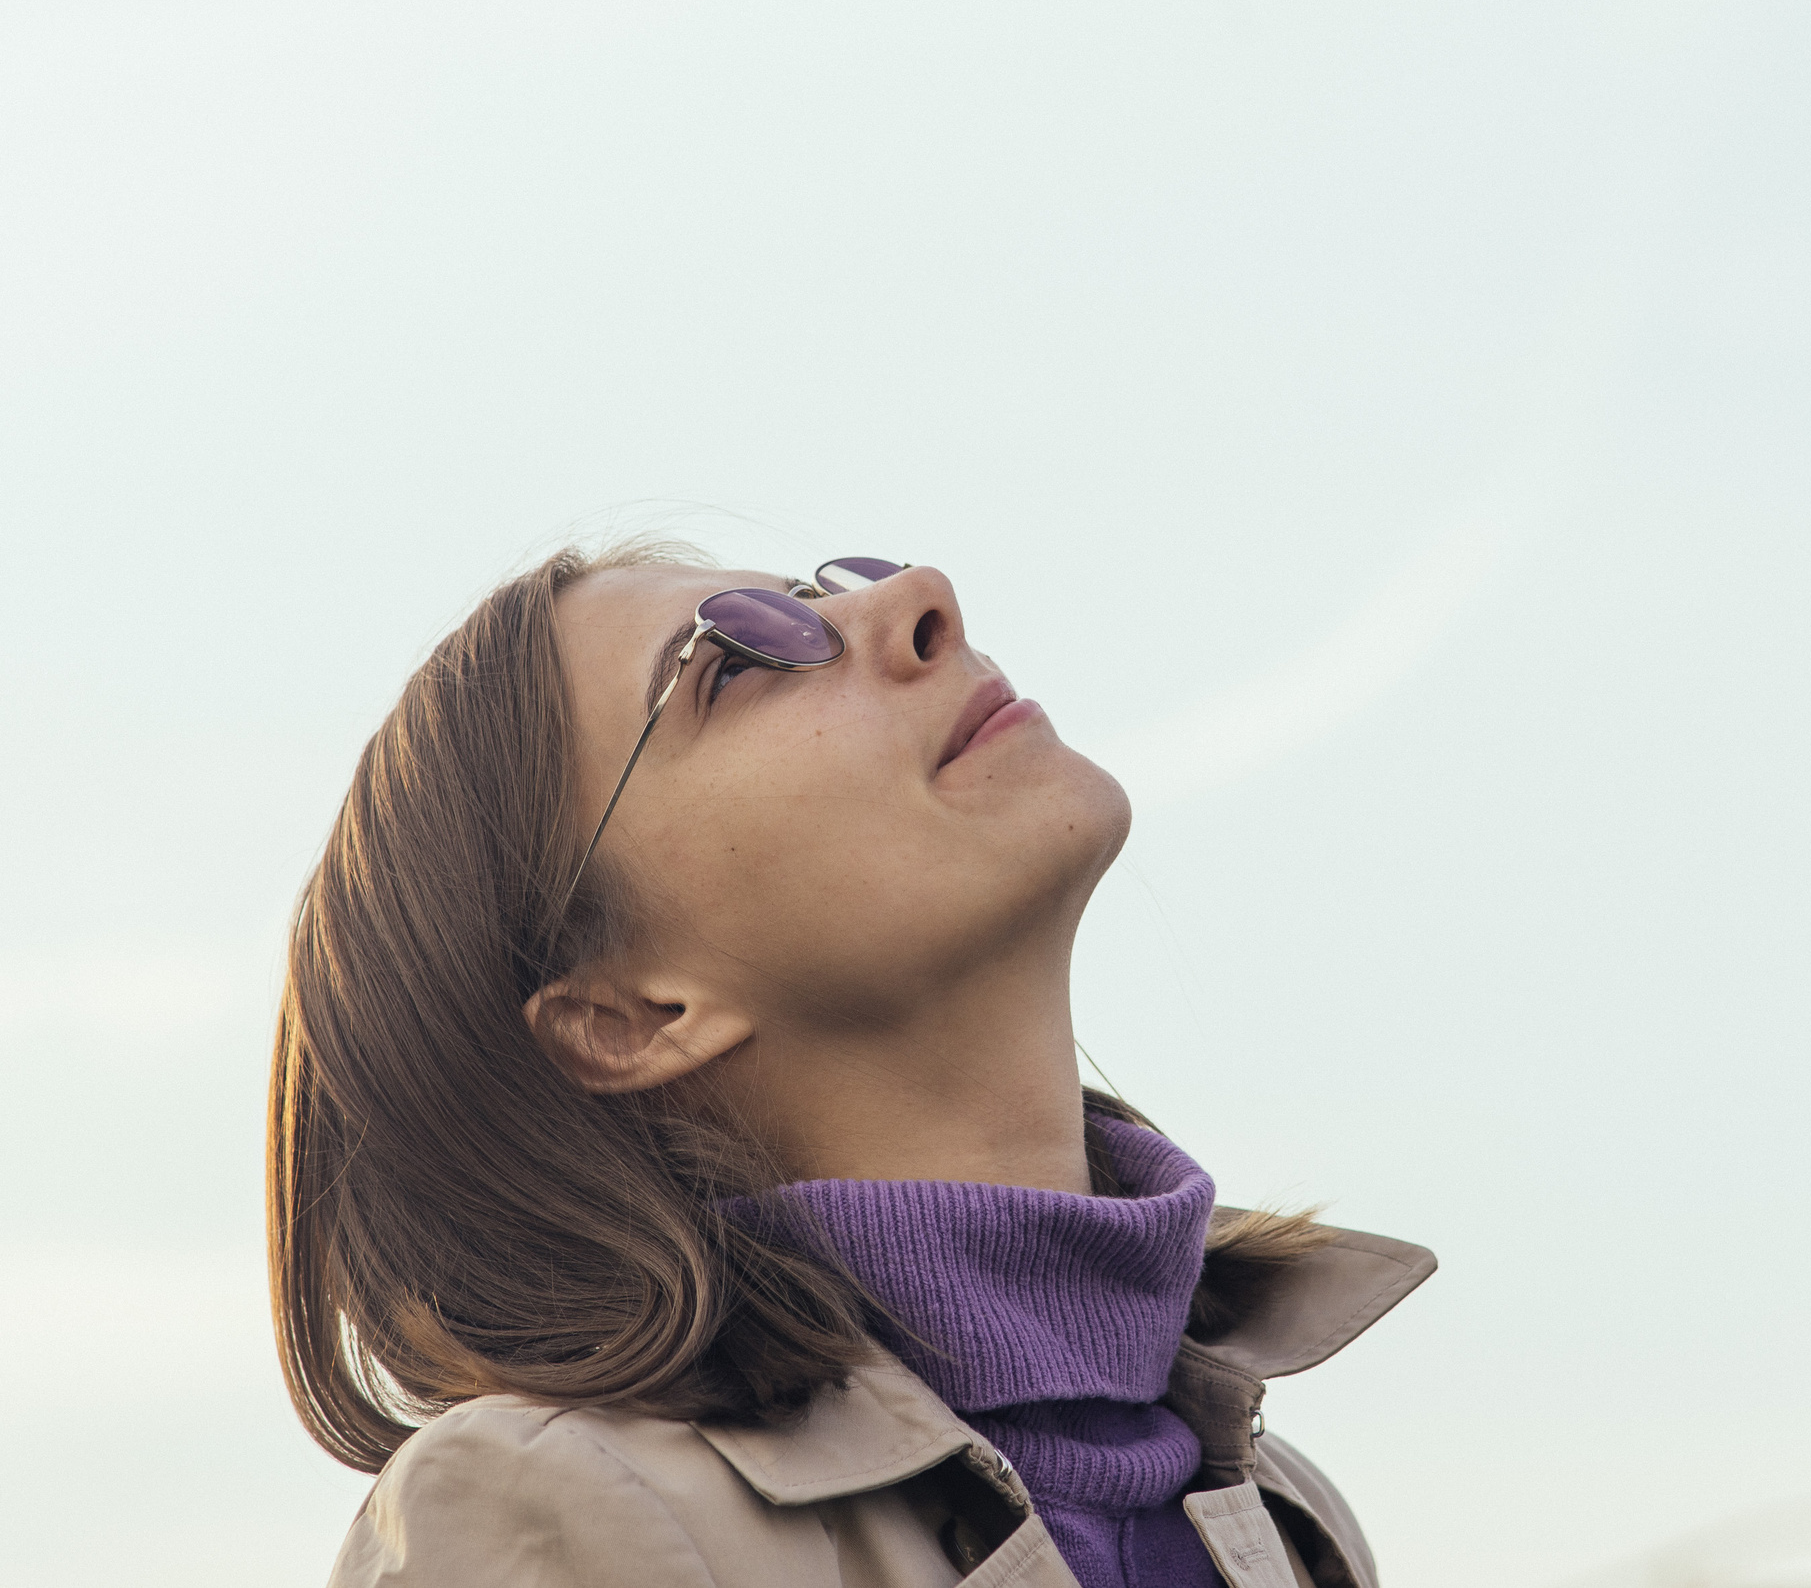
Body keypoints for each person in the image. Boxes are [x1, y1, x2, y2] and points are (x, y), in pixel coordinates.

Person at [268, 539, 1435, 1587]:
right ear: (629, 1012)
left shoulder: (1290, 1516)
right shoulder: (556, 1510)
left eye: (837, 581)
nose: (920, 597)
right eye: (730, 660)